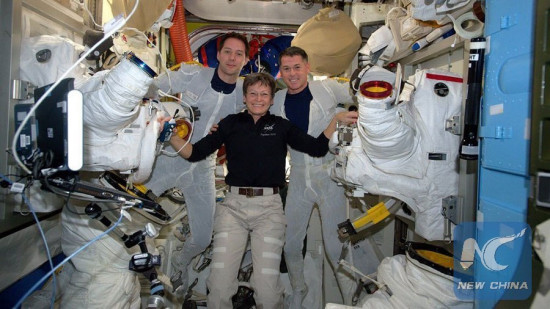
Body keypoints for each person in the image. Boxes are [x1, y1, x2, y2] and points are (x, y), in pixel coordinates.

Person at [164, 72, 358, 309]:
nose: (258, 98)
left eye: (264, 94)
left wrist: (336, 120)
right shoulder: (230, 123)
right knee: (219, 287)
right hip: (233, 208)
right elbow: (194, 153)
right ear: (244, 97)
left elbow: (317, 148)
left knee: (267, 293)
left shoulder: (281, 126)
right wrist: (171, 134)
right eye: (253, 93)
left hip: (269, 211)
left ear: (272, 99)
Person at [143, 32, 250, 293]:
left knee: (202, 237)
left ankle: (179, 263)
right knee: (137, 209)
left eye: (238, 54)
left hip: (202, 167)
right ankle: (140, 263)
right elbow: (152, 87)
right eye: (227, 51)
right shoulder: (193, 74)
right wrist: (160, 115)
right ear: (218, 54)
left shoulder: (246, 94)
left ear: (246, 60)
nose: (232, 58)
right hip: (167, 156)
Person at [271, 46, 364, 307]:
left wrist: (356, 112)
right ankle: (298, 289)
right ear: (281, 71)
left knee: (337, 249)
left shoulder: (328, 89)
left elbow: (361, 94)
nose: (292, 74)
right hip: (299, 179)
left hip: (329, 178)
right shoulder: (277, 101)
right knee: (290, 245)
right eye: (287, 69)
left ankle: (350, 299)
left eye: (297, 67)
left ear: (307, 67)